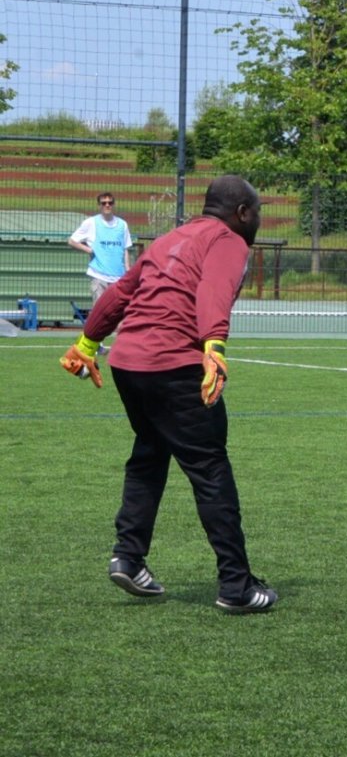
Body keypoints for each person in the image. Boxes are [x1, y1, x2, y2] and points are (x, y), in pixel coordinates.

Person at [58, 175, 277, 614]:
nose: (258, 221)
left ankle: (128, 557)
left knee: (149, 454)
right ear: (241, 213)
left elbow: (122, 291)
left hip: (128, 362)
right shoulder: (229, 240)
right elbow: (213, 288)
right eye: (257, 212)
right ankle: (236, 585)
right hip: (173, 365)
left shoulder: (169, 239)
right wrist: (214, 344)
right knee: (210, 468)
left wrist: (86, 342)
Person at [68, 192, 134, 303]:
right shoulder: (91, 223)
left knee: (118, 314)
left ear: (113, 204)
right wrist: (89, 250)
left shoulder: (122, 225)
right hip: (99, 276)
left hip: (118, 277)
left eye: (110, 203)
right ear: (99, 205)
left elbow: (125, 248)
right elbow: (72, 241)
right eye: (104, 203)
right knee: (100, 313)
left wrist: (127, 268)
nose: (107, 205)